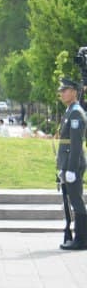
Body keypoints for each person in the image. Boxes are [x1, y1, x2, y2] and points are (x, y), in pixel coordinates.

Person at [56, 77, 87, 251]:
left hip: (73, 163)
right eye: (61, 91)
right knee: (73, 200)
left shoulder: (76, 112)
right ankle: (78, 236)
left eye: (65, 90)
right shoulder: (70, 111)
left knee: (76, 200)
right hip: (67, 162)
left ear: (74, 92)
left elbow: (75, 144)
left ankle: (82, 239)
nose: (61, 93)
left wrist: (72, 169)